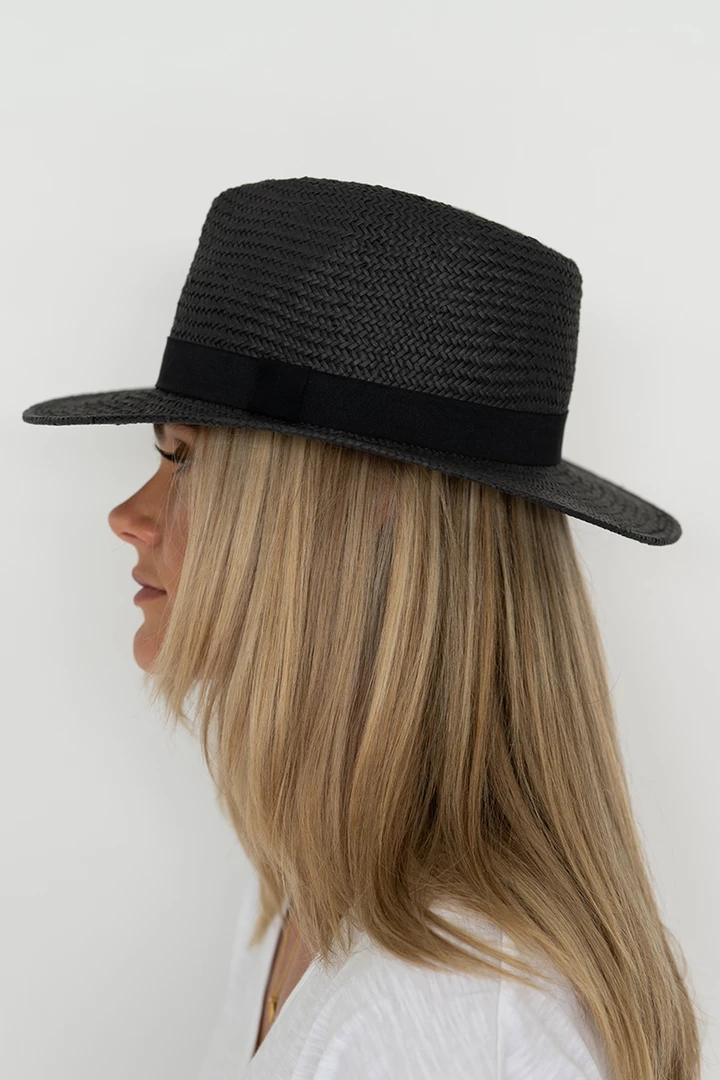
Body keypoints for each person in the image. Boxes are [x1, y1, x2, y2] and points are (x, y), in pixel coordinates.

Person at [23, 177, 703, 1080]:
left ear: (354, 521)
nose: (128, 516)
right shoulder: (301, 897)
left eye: (184, 461)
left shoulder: (454, 1008)